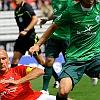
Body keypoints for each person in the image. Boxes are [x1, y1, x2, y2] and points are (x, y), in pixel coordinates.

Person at [29, 0, 100, 99]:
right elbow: (52, 27)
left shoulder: (98, 7)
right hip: (75, 58)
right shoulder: (71, 11)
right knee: (63, 92)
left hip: (95, 56)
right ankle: (46, 89)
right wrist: (38, 45)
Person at [0, 49, 74, 100]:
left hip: (35, 98)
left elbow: (39, 71)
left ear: (8, 60)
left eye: (3, 59)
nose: (1, 62)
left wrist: (17, 81)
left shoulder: (18, 70)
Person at [38, 0, 75, 94]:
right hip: (54, 37)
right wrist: (47, 19)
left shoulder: (69, 2)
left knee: (70, 62)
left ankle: (91, 73)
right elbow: (56, 14)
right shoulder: (54, 1)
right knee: (48, 61)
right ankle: (45, 89)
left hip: (66, 37)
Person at [11, 0, 45, 68]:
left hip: (31, 38)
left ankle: (57, 77)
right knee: (14, 61)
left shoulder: (26, 7)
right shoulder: (16, 10)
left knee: (41, 62)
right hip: (21, 38)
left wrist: (26, 30)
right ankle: (12, 78)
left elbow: (35, 19)